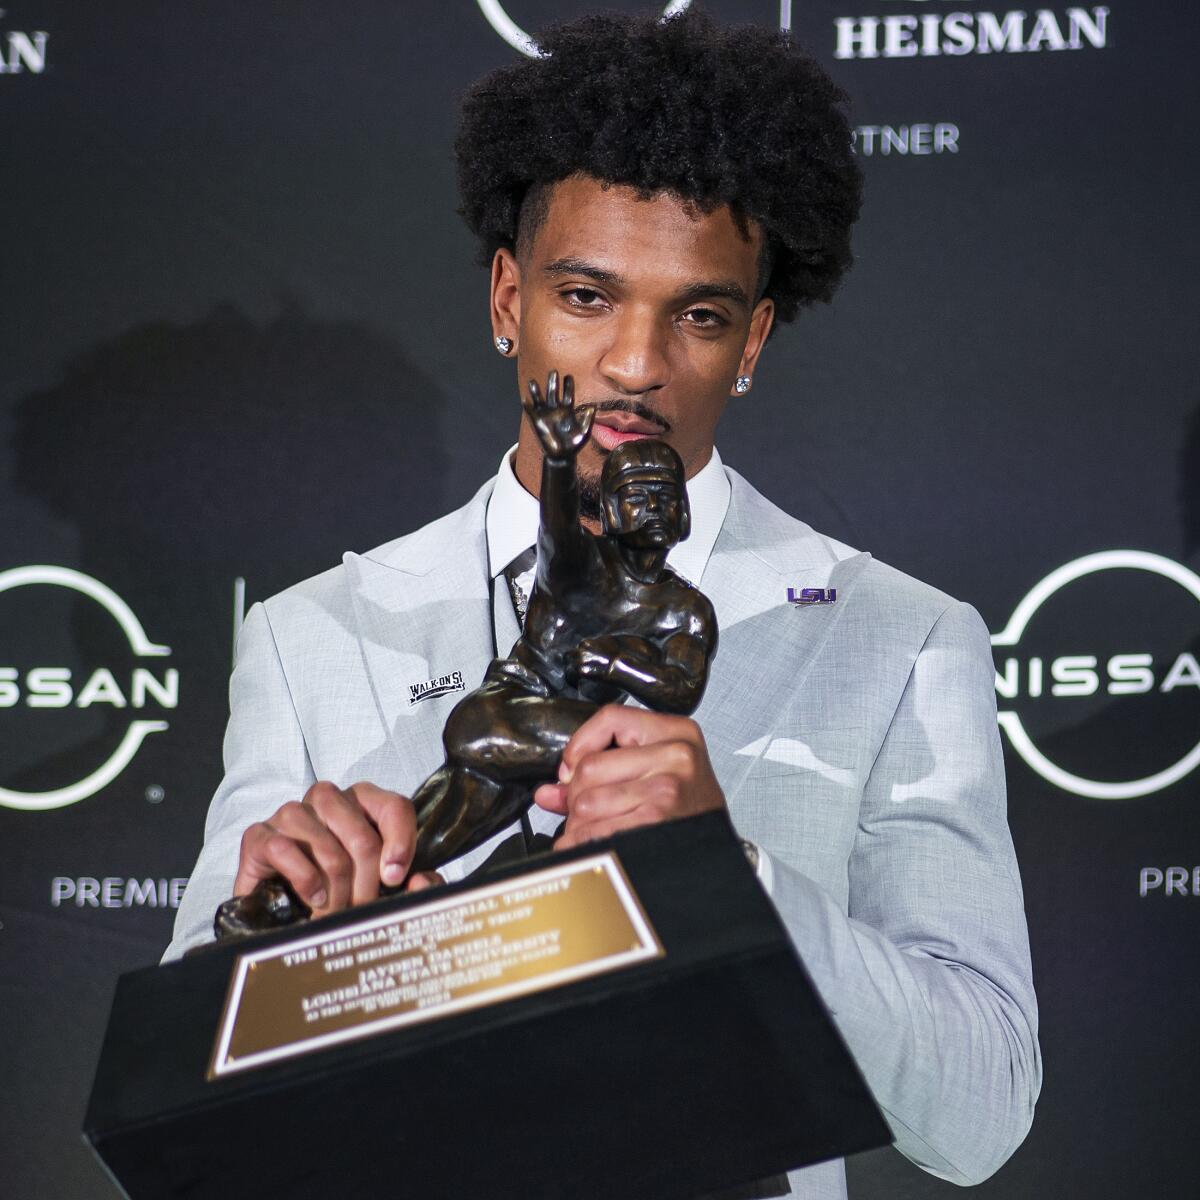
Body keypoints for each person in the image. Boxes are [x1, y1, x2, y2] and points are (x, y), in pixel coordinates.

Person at [166, 11, 1040, 1198]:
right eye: (587, 297)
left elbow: (980, 1115)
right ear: (505, 301)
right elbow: (181, 1129)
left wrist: (730, 871)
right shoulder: (312, 635)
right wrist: (275, 934)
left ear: (753, 341)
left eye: (699, 313)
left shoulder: (897, 637)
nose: (637, 364)